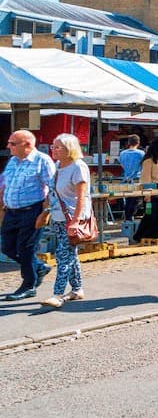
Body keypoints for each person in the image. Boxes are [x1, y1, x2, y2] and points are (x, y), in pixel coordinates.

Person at [1, 130, 55, 301]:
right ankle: (38, 267)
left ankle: (29, 285)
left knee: (25, 249)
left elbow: (53, 188)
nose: (8, 146)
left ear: (28, 145)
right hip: (11, 211)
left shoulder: (42, 161)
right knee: (7, 248)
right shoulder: (12, 161)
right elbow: (5, 185)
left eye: (12, 143)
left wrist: (46, 212)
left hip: (31, 211)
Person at [40, 134, 93, 309]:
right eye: (53, 146)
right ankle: (77, 289)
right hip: (58, 217)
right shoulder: (57, 166)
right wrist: (46, 211)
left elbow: (81, 197)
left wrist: (76, 221)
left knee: (63, 256)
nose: (53, 150)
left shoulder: (78, 166)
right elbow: (54, 193)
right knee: (71, 254)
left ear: (69, 149)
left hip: (72, 219)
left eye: (57, 147)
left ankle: (58, 294)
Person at [131, 139, 158, 243]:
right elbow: (145, 179)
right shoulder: (148, 161)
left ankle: (153, 236)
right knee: (150, 215)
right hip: (150, 194)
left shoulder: (157, 161)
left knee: (157, 215)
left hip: (157, 193)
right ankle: (141, 235)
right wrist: (147, 195)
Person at [118, 135, 145, 224]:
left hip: (126, 179)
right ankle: (130, 218)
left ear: (128, 143)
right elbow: (144, 166)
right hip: (137, 179)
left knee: (129, 199)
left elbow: (121, 165)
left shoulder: (122, 153)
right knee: (137, 200)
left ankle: (128, 218)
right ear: (138, 143)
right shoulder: (141, 153)